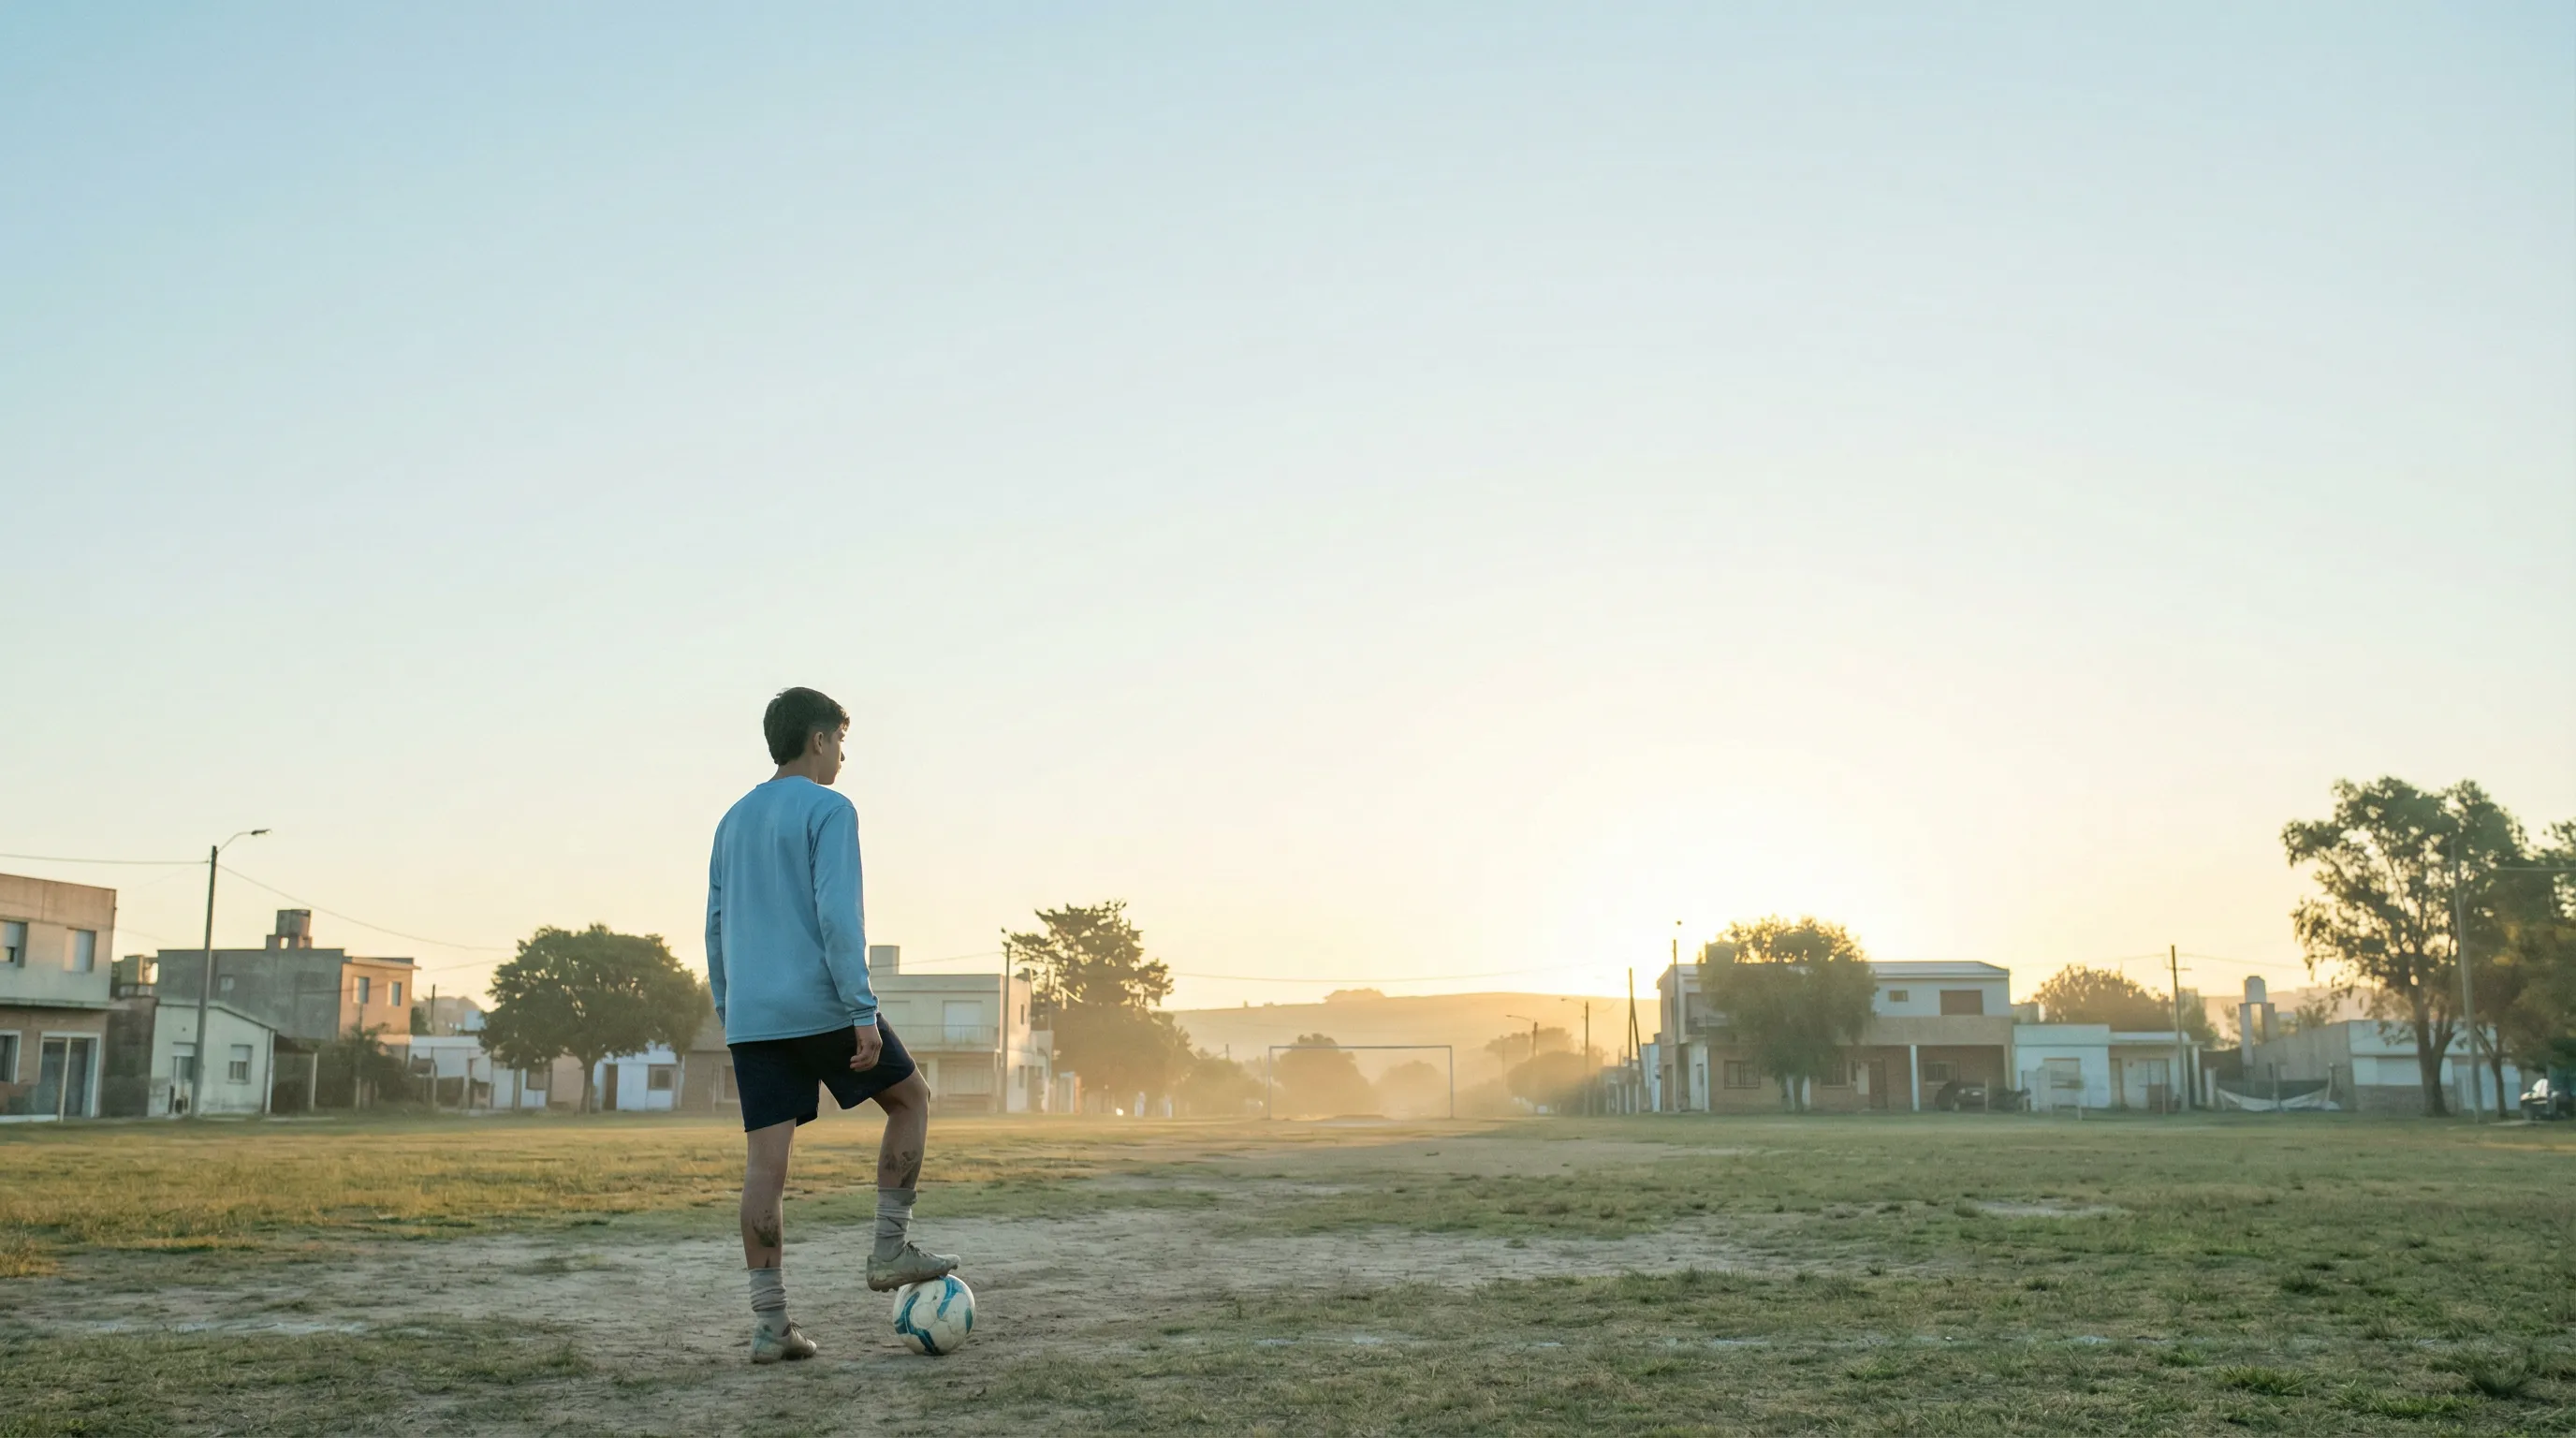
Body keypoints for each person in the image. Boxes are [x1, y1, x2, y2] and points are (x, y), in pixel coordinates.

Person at [707, 686, 958, 1364]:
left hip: (754, 1018)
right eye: (841, 742)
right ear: (818, 740)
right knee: (911, 1100)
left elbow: (715, 926)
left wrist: (733, 1011)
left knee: (765, 1168)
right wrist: (860, 1009)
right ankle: (889, 1249)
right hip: (822, 1004)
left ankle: (770, 1326)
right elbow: (838, 916)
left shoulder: (731, 821)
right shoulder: (830, 808)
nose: (843, 757)